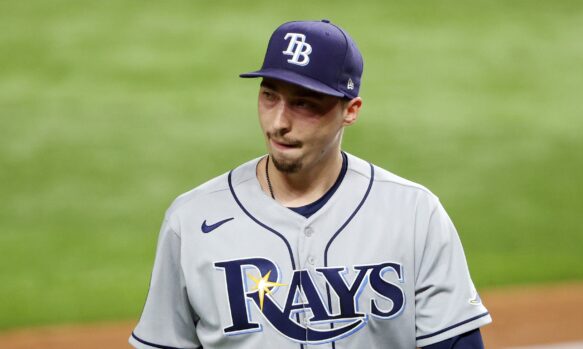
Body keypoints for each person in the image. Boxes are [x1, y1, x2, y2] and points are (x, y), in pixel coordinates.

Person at [129, 19, 491, 349]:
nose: (278, 122)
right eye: (269, 96)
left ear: (350, 110)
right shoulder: (192, 220)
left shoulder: (414, 214)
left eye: (303, 103)